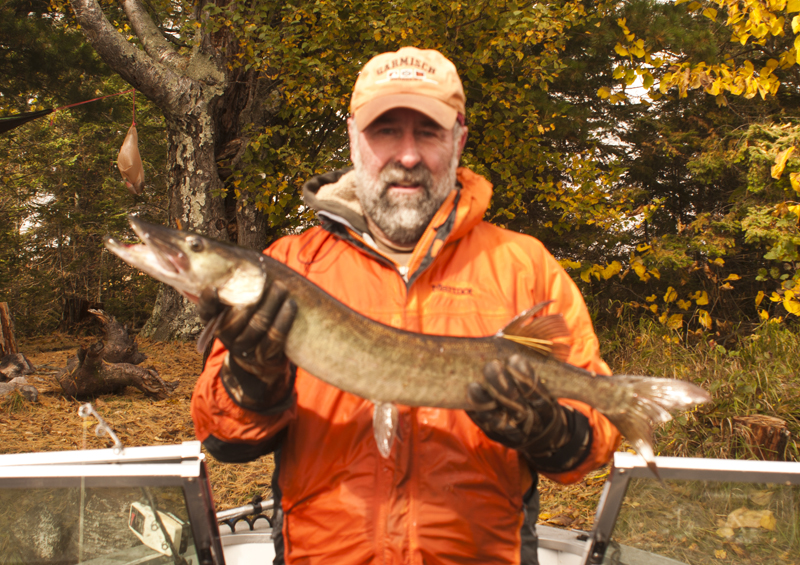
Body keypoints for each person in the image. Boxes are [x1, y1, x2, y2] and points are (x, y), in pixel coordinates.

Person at [191, 46, 620, 564]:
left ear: (458, 140)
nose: (408, 156)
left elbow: (592, 444)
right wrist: (252, 376)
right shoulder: (287, 266)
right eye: (387, 131)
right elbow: (224, 440)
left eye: (429, 132)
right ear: (354, 138)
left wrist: (551, 429)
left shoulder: (524, 266)